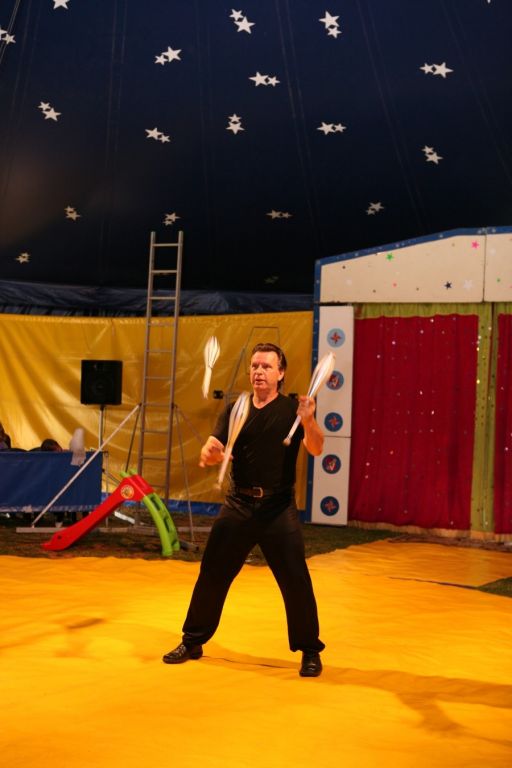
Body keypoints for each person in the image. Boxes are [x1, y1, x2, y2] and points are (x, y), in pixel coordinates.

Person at [163, 342, 326, 677]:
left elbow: (316, 448)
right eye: (254, 366)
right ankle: (193, 640)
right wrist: (210, 453)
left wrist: (309, 420)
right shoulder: (236, 409)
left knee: (295, 580)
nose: (258, 372)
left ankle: (309, 650)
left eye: (266, 366)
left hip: (278, 507)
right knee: (212, 573)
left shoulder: (293, 410)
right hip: (239, 504)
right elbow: (212, 448)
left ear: (280, 373)